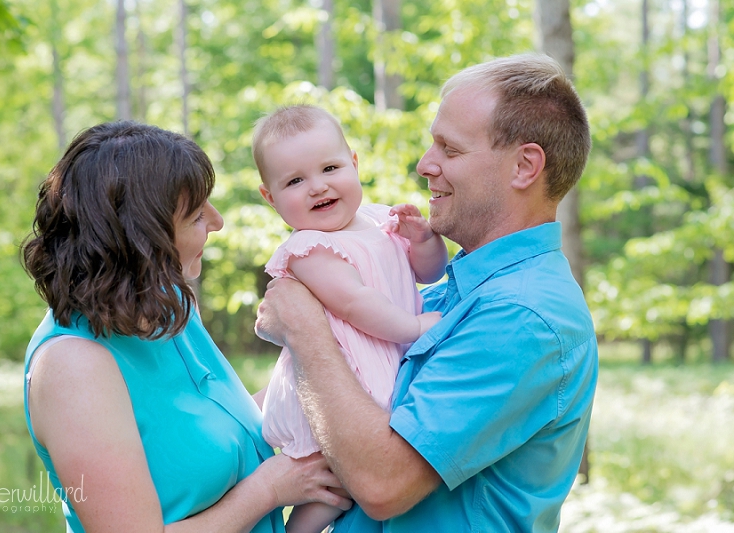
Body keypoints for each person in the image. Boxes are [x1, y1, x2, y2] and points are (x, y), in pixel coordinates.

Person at [255, 53, 598, 532]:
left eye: (449, 149)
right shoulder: (454, 291)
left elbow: (383, 484)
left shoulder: (521, 315)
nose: (424, 165)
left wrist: (304, 327)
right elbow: (351, 376)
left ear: (525, 166)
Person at [21, 121, 351, 533]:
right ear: (144, 240)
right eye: (196, 214)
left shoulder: (168, 307)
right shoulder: (72, 366)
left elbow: (214, 427)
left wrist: (336, 362)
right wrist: (270, 489)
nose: (217, 221)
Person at [251, 105, 448, 532]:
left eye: (329, 167)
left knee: (347, 479)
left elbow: (428, 273)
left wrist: (425, 241)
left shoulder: (380, 219)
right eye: (295, 180)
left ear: (354, 164)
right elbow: (355, 303)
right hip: (346, 376)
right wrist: (413, 329)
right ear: (270, 196)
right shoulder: (308, 249)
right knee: (331, 479)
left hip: (385, 357)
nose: (317, 186)